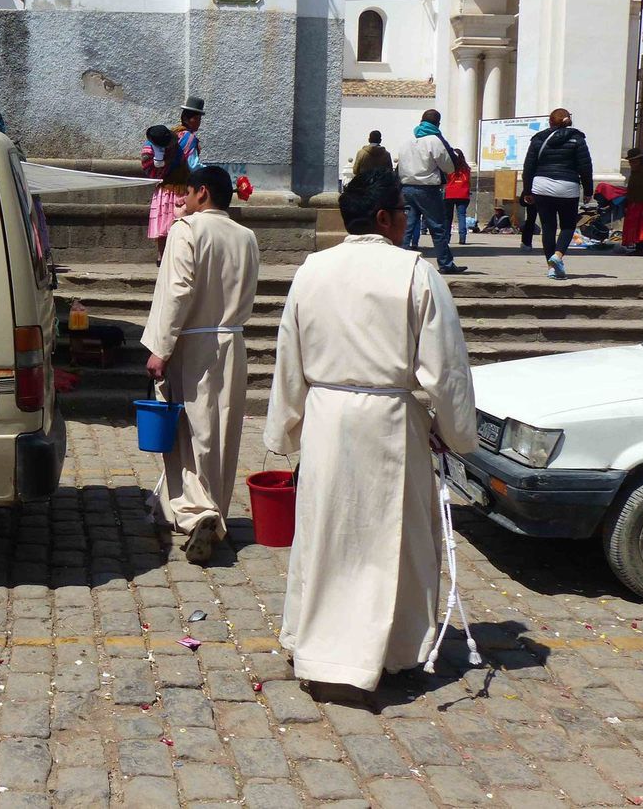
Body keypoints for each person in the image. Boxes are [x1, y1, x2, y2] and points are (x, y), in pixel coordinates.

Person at [264, 168, 477, 693]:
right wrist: (456, 433)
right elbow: (445, 366)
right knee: (391, 538)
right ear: (384, 217)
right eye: (404, 213)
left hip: (329, 419)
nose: (408, 222)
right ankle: (394, 647)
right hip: (388, 423)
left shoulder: (312, 270)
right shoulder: (414, 272)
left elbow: (288, 352)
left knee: (328, 533)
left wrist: (287, 425)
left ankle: (317, 640)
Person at [143, 165, 260, 564]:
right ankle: (214, 510)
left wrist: (160, 346)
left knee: (189, 431)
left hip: (191, 342)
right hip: (232, 339)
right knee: (222, 431)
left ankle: (196, 511)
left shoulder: (187, 230)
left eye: (187, 193)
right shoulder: (246, 237)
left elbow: (179, 289)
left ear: (203, 193)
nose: (181, 201)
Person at [519, 108, 593, 279]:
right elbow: (585, 167)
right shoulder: (578, 139)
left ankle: (551, 268)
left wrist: (527, 190)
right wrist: (588, 190)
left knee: (548, 227)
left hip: (541, 186)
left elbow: (528, 166)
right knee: (567, 226)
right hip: (568, 187)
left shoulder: (538, 138)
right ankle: (558, 256)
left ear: (550, 122)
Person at [395, 110, 468, 274]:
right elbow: (448, 167)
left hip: (406, 188)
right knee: (437, 227)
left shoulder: (407, 142)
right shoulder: (434, 141)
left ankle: (401, 264)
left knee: (406, 227)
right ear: (438, 124)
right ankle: (445, 264)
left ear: (421, 122)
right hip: (428, 189)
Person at [141, 97, 204, 263]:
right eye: (198, 119)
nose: (199, 122)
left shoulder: (172, 134)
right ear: (191, 119)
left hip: (162, 190)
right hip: (179, 191)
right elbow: (193, 165)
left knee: (163, 228)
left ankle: (161, 258)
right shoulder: (189, 139)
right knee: (179, 226)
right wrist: (212, 173)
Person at [444, 149, 471, 246]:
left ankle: (446, 238)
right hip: (463, 194)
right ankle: (462, 238)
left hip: (450, 193)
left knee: (448, 217)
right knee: (461, 216)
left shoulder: (449, 167)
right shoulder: (467, 169)